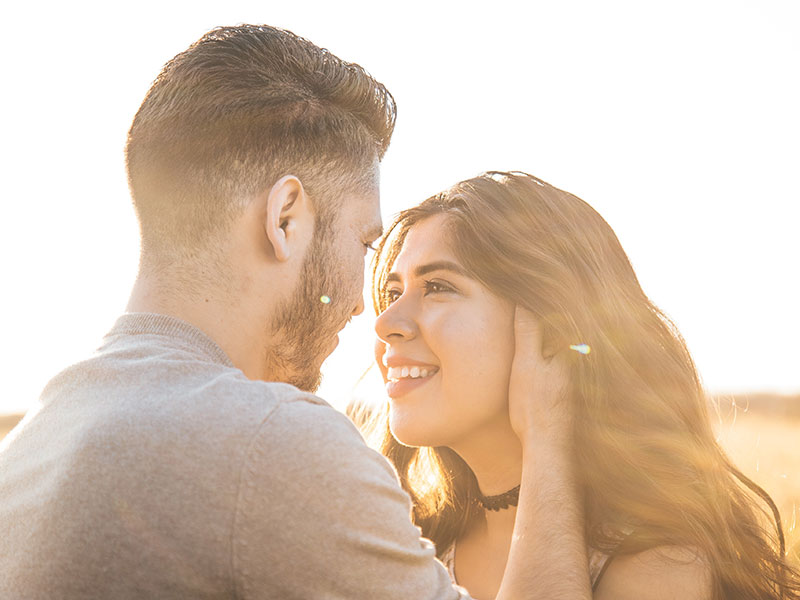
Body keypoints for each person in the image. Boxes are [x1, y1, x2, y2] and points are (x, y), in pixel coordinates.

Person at [0, 27, 593, 599]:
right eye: (364, 245)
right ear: (285, 219)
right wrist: (549, 436)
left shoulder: (32, 445)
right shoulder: (272, 442)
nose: (366, 306)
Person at [370, 171, 800, 600]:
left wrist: (546, 436)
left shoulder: (659, 565)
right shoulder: (402, 541)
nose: (385, 323)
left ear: (550, 330)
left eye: (437, 287)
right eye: (392, 293)